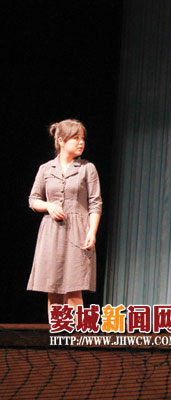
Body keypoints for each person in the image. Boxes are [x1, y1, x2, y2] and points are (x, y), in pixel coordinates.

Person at [28, 119, 102, 321]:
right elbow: (33, 199)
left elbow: (95, 203)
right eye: (75, 138)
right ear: (61, 140)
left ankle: (76, 336)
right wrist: (49, 206)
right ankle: (58, 334)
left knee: (73, 288)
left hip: (78, 231)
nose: (81, 142)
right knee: (52, 287)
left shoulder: (87, 168)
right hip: (51, 232)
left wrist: (92, 231)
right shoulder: (46, 169)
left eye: (82, 138)